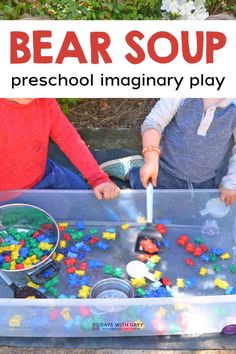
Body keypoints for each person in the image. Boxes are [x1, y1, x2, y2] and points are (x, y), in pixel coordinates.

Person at [100, 98, 236, 205]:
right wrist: (151, 160)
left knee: (195, 217)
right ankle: (133, 169)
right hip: (164, 170)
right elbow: (153, 123)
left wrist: (231, 182)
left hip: (205, 180)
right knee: (145, 199)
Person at [0, 98, 120, 200]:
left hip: (43, 173)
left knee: (82, 193)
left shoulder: (45, 101)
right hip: (6, 194)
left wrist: (98, 178)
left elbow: (70, 139)